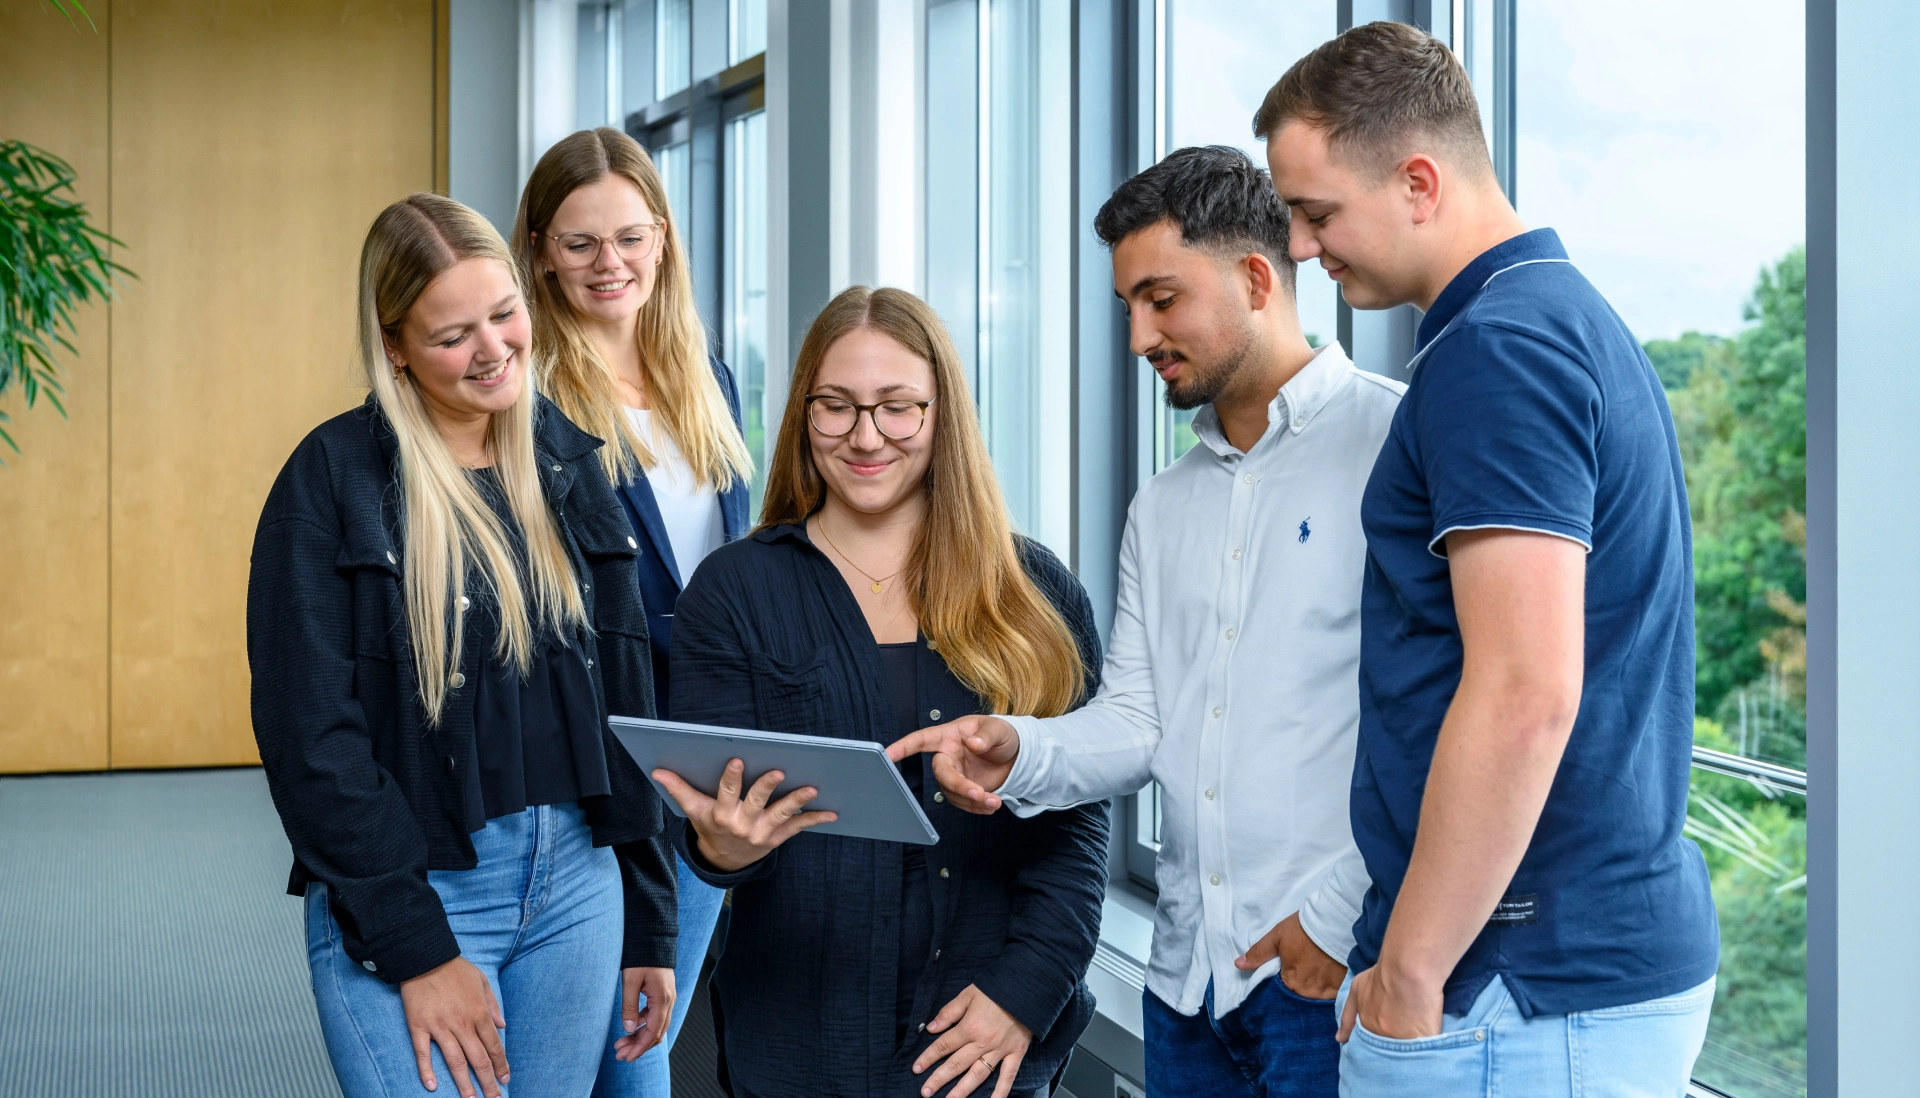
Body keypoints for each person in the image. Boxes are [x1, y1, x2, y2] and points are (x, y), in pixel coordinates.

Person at [1255, 22, 1719, 1095]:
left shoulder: (1497, 351)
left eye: (1318, 214)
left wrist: (1411, 973)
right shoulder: (1557, 319)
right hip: (1555, 972)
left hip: (1518, 983)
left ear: (1419, 181)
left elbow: (1523, 689)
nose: (1300, 249)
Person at [892, 146, 1401, 1098]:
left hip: (1329, 979)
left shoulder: (1393, 447)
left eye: (1161, 299)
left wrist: (1335, 924)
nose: (1137, 337)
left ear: (1257, 278)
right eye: (1129, 305)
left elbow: (1438, 723)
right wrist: (1020, 748)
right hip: (1186, 991)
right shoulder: (1163, 505)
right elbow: (1136, 724)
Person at [247, 193, 681, 1098]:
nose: (493, 350)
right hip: (418, 886)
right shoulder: (332, 484)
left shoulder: (568, 462)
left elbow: (624, 710)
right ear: (393, 345)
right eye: (453, 336)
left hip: (579, 886)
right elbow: (312, 741)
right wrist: (419, 949)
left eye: (504, 314)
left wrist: (649, 922)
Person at [648, 285, 1110, 1098]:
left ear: (943, 415)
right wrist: (723, 847)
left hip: (983, 1043)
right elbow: (712, 831)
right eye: (837, 407)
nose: (866, 438)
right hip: (797, 1043)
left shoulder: (1033, 592)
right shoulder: (734, 591)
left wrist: (1023, 996)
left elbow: (1078, 830)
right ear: (803, 415)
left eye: (898, 408)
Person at [510, 126, 753, 1098]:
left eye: (630, 236)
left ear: (662, 238)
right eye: (580, 242)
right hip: (594, 756)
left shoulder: (712, 383)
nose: (609, 263)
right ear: (539, 251)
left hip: (704, 756)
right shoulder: (527, 399)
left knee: (644, 1040)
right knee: (588, 1052)